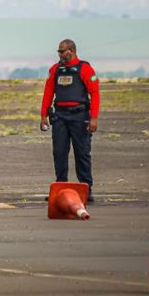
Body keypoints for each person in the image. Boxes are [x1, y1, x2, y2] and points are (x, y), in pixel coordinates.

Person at [40, 39, 100, 200]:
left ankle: (86, 189)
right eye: (58, 51)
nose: (59, 54)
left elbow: (95, 93)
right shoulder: (55, 70)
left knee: (82, 153)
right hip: (60, 116)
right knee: (59, 153)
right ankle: (60, 187)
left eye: (62, 51)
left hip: (80, 117)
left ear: (71, 51)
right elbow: (48, 92)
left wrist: (93, 118)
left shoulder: (85, 69)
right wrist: (43, 115)